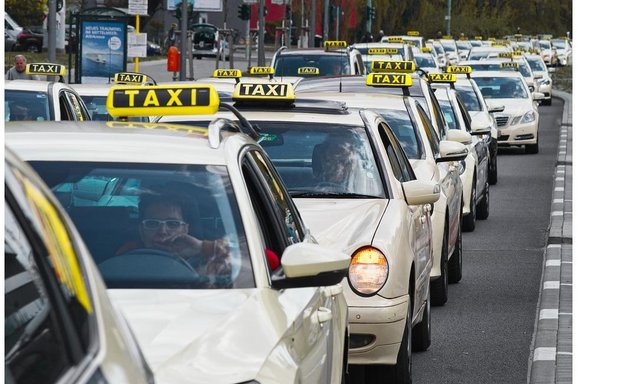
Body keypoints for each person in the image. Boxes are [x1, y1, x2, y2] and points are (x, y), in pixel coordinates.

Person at [117, 192, 231, 280]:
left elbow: (244, 261)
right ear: (141, 230)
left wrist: (201, 247)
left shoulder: (207, 262)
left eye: (172, 224)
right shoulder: (126, 256)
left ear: (185, 229)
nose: (162, 231)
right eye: (152, 223)